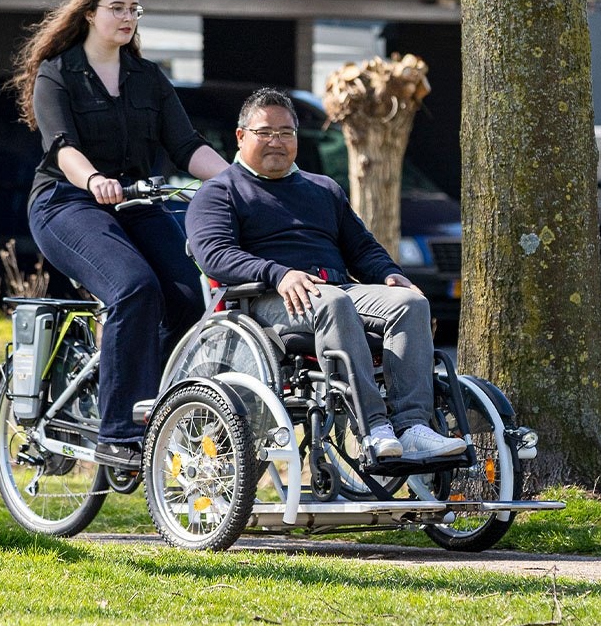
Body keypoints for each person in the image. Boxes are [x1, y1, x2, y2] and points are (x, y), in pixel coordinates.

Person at [8, 0, 229, 470]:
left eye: (134, 9)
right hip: (67, 203)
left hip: (135, 201)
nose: (128, 17)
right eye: (118, 8)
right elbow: (62, 148)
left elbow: (186, 145)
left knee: (186, 294)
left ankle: (156, 409)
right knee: (133, 286)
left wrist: (238, 181)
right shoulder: (57, 73)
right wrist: (92, 180)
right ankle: (118, 430)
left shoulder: (147, 78)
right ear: (89, 13)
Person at [185, 87, 466, 462]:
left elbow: (362, 248)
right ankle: (374, 429)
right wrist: (279, 274)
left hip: (336, 289)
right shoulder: (220, 192)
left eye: (286, 133)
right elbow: (215, 255)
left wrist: (389, 274)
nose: (276, 142)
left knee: (410, 302)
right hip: (267, 301)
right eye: (264, 132)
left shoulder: (323, 189)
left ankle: (413, 426)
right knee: (331, 300)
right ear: (241, 136)